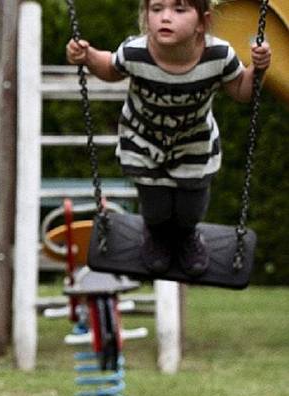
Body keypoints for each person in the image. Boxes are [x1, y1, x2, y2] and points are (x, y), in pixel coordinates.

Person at [66, 0, 272, 276]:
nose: (165, 17)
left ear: (202, 22)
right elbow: (110, 68)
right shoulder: (135, 52)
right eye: (157, 8)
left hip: (194, 143)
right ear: (146, 15)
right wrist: (88, 55)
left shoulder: (218, 55)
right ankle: (157, 238)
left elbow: (241, 91)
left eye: (179, 9)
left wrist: (256, 70)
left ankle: (187, 238)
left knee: (190, 208)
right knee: (156, 209)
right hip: (144, 142)